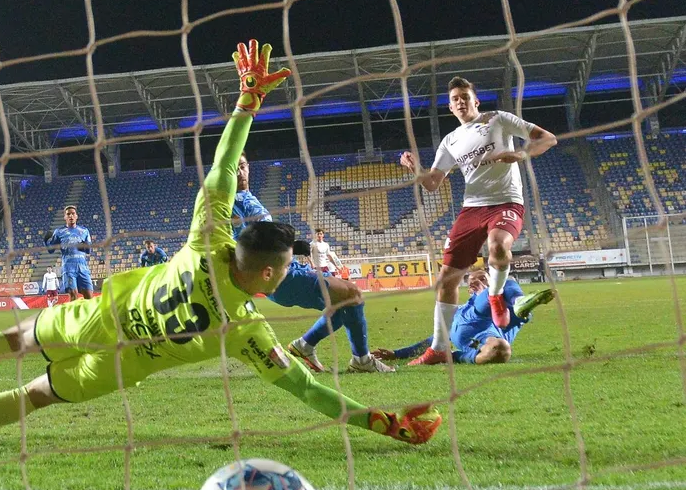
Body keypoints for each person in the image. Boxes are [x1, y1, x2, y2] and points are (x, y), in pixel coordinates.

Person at [0, 39, 440, 447]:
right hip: (123, 366)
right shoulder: (247, 331)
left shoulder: (205, 241)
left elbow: (223, 165)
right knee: (34, 397)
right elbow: (310, 393)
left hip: (94, 319)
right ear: (270, 275)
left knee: (7, 341)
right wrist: (384, 423)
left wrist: (247, 102)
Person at [399, 76, 557, 365]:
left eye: (465, 96)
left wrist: (521, 153)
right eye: (455, 99)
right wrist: (415, 169)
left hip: (506, 201)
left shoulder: (498, 119)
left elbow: (548, 138)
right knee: (446, 280)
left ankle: (495, 295)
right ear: (450, 107)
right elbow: (432, 183)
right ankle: (437, 350)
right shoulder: (450, 141)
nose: (460, 102)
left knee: (498, 246)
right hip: (471, 208)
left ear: (476, 100)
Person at [233, 154, 393, 374]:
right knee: (353, 294)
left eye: (242, 166)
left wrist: (288, 246)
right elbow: (245, 247)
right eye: (234, 168)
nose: (239, 172)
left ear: (249, 167)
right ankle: (362, 360)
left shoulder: (246, 197)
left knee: (343, 303)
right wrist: (288, 247)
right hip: (279, 277)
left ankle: (305, 346)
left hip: (287, 269)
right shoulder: (229, 205)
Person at [374, 270, 554, 365]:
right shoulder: (457, 310)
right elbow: (434, 340)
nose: (478, 282)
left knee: (501, 348)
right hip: (470, 322)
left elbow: (520, 316)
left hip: (489, 325)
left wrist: (496, 294)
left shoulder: (502, 307)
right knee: (499, 290)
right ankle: (516, 300)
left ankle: (517, 300)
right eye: (474, 281)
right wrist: (396, 354)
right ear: (469, 289)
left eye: (483, 278)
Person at [44, 206, 93, 300]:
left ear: (76, 216)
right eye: (68, 214)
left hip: (82, 267)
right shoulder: (59, 232)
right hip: (68, 268)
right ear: (65, 217)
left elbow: (88, 251)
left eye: (73, 213)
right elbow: (51, 250)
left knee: (89, 297)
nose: (71, 216)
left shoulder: (84, 231)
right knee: (73, 295)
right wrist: (46, 241)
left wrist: (84, 246)